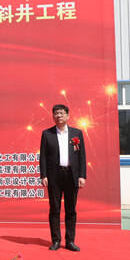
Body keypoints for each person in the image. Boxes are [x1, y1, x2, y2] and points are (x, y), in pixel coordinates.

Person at [40, 104, 86, 251]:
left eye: (61, 113)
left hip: (72, 175)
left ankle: (70, 241)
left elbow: (82, 156)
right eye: (56, 113)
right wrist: (43, 175)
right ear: (53, 116)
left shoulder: (76, 133)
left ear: (67, 115)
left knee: (71, 209)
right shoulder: (47, 134)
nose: (58, 116)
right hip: (54, 175)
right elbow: (43, 157)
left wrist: (82, 175)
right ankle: (56, 240)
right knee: (54, 208)